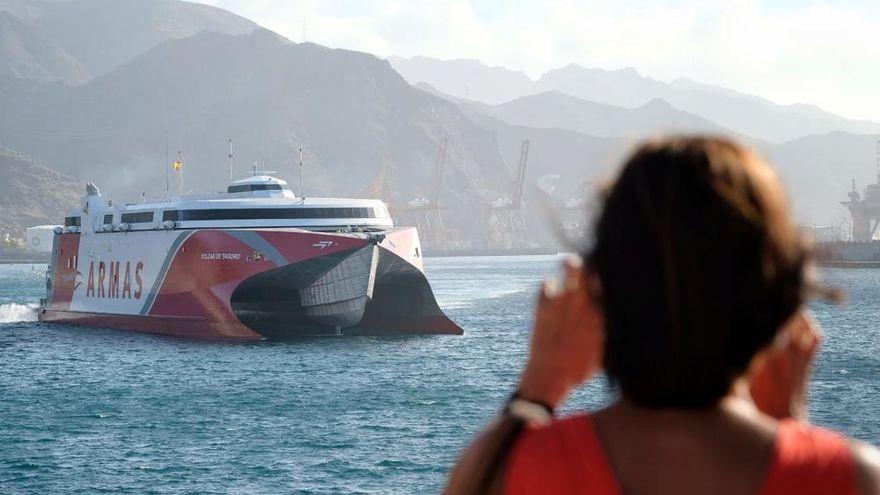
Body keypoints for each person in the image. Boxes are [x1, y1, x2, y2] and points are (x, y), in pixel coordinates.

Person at [444, 136, 880, 495]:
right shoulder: (854, 478)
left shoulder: (514, 473)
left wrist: (538, 389)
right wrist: (793, 439)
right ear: (780, 305)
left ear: (599, 294)